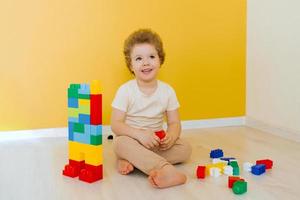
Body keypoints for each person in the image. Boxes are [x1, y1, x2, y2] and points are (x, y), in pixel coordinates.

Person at [111, 29, 192, 188]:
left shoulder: (167, 91)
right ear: (131, 65)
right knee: (119, 144)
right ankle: (164, 169)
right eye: (139, 58)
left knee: (185, 149)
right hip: (132, 139)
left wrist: (172, 136)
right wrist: (140, 135)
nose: (146, 62)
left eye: (152, 57)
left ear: (160, 60)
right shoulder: (126, 90)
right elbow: (116, 124)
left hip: (156, 143)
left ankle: (133, 160)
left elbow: (175, 122)